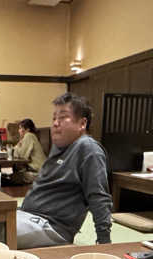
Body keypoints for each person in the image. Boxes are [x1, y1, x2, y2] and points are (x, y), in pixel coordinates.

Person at [17, 93, 112, 249]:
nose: (55, 123)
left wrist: (104, 244)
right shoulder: (60, 147)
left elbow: (99, 196)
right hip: (28, 217)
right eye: (54, 118)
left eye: (62, 117)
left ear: (82, 123)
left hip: (51, 227)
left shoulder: (88, 148)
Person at [12, 118, 47, 184]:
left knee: (13, 177)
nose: (18, 131)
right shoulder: (30, 137)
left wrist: (17, 146)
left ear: (27, 129)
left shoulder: (29, 136)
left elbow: (21, 156)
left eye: (20, 128)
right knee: (11, 176)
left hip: (39, 173)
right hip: (39, 171)